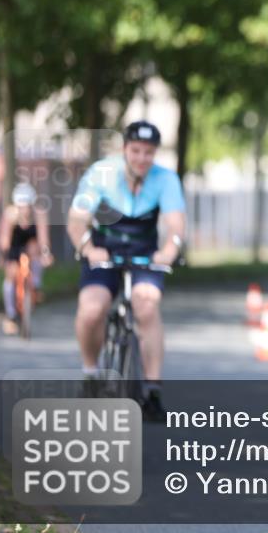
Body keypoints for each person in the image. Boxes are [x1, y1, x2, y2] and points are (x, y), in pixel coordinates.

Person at [67, 121, 186, 421]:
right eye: (136, 151)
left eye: (149, 152)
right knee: (92, 308)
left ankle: (152, 391)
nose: (142, 158)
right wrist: (89, 248)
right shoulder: (100, 173)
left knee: (147, 304)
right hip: (104, 250)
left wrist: (169, 251)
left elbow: (175, 225)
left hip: (145, 254)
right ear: (124, 150)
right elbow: (77, 220)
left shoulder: (166, 179)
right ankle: (91, 373)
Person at [0, 183, 53, 335]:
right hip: (15, 245)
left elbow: (43, 238)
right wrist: (3, 255)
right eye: (21, 206)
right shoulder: (10, 215)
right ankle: (10, 314)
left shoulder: (39, 213)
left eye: (27, 205)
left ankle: (35, 285)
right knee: (10, 274)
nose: (25, 210)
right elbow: (5, 239)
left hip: (32, 245)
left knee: (36, 251)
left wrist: (46, 253)